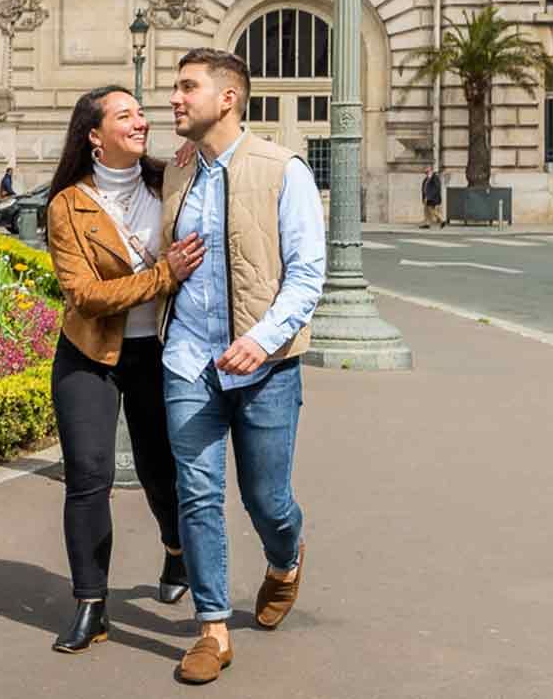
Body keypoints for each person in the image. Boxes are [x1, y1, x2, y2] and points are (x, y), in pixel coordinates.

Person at [161, 48, 325, 685]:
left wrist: (263, 338)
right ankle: (212, 629)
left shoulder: (282, 170)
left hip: (267, 366)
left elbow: (307, 275)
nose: (174, 99)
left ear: (227, 97)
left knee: (266, 500)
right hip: (188, 361)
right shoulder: (178, 172)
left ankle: (285, 561)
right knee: (197, 495)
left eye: (186, 88)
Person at [41, 85, 199, 653]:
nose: (141, 121)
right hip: (88, 353)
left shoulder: (170, 182)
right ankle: (90, 605)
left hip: (157, 352)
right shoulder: (67, 206)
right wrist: (163, 276)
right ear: (94, 135)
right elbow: (85, 295)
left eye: (141, 113)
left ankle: (177, 554)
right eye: (125, 115)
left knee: (161, 471)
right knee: (88, 479)